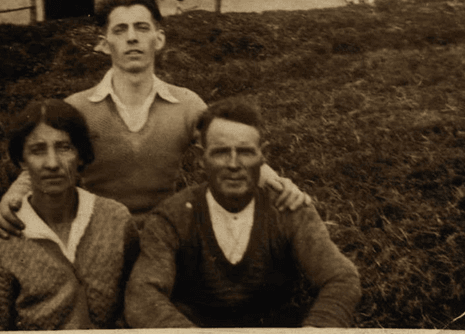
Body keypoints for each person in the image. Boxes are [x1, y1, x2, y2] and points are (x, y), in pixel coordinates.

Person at [0, 0, 309, 237]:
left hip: (166, 234)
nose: (131, 37)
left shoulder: (186, 104)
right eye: (120, 30)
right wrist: (9, 203)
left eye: (141, 27)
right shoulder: (77, 108)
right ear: (103, 43)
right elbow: (43, 162)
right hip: (95, 234)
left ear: (159, 38)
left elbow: (230, 147)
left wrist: (280, 185)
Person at [124, 98, 361, 328]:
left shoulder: (288, 209)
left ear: (262, 155)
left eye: (246, 152)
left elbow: (341, 277)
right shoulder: (172, 217)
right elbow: (142, 296)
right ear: (201, 158)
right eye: (221, 152)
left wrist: (317, 328)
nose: (234, 164)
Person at [0, 99, 139, 330]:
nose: (52, 163)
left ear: (80, 155)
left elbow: (138, 303)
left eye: (64, 148)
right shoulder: (3, 235)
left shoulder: (116, 219)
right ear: (22, 160)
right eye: (37, 150)